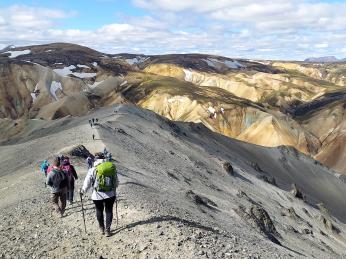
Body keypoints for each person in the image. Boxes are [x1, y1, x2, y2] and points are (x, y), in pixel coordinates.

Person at [80, 152, 119, 237]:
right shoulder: (111, 168)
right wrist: (113, 188)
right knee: (109, 211)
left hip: (97, 195)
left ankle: (101, 228)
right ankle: (108, 230)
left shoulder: (93, 169)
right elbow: (116, 182)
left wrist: (83, 191)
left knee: (99, 210)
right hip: (110, 194)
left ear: (95, 159)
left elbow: (87, 183)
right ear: (104, 158)